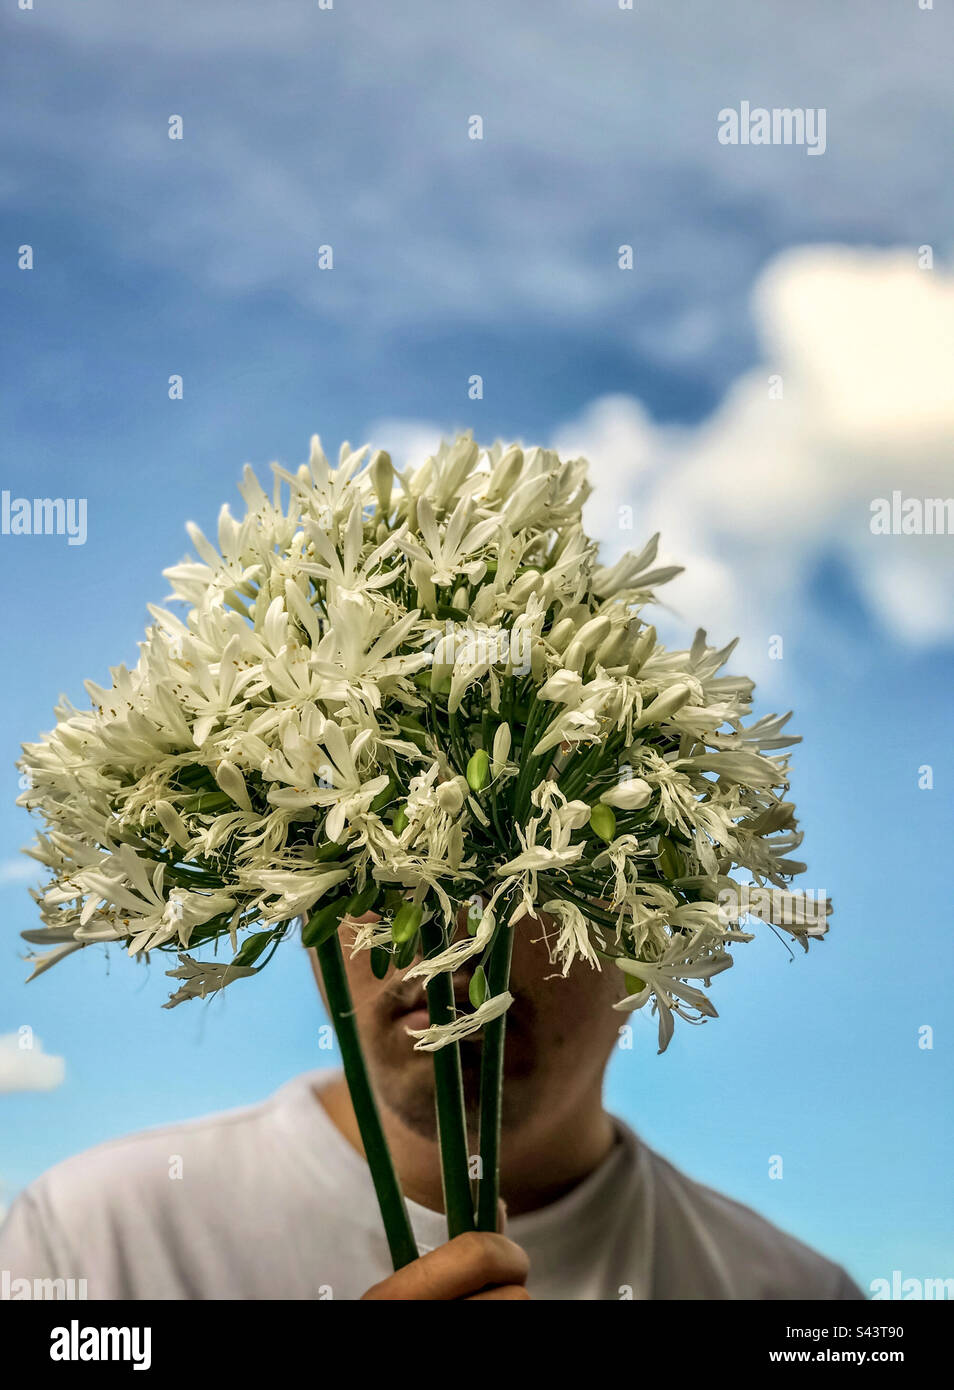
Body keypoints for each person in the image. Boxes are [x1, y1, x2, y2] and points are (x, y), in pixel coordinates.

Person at [0, 907, 865, 1300]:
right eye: (373, 859)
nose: (446, 937)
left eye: (525, 866)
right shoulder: (88, 1242)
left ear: (652, 929)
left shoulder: (800, 1299)